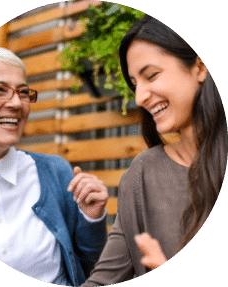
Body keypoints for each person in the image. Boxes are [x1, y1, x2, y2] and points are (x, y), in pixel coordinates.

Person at [0, 46, 108, 286]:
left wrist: (92, 218)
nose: (17, 103)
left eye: (23, 92)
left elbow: (92, 267)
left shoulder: (56, 172)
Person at [82, 14, 227, 286]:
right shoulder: (143, 174)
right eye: (135, 84)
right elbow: (103, 280)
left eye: (152, 75)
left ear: (200, 65)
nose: (139, 98)